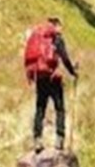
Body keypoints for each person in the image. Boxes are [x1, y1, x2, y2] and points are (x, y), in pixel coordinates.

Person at [26, 16, 78, 152]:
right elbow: (65, 58)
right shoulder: (57, 39)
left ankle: (37, 140)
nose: (61, 29)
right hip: (53, 78)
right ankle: (59, 140)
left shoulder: (38, 37)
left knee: (40, 108)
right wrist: (73, 72)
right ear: (56, 26)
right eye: (60, 26)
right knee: (59, 108)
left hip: (40, 77)